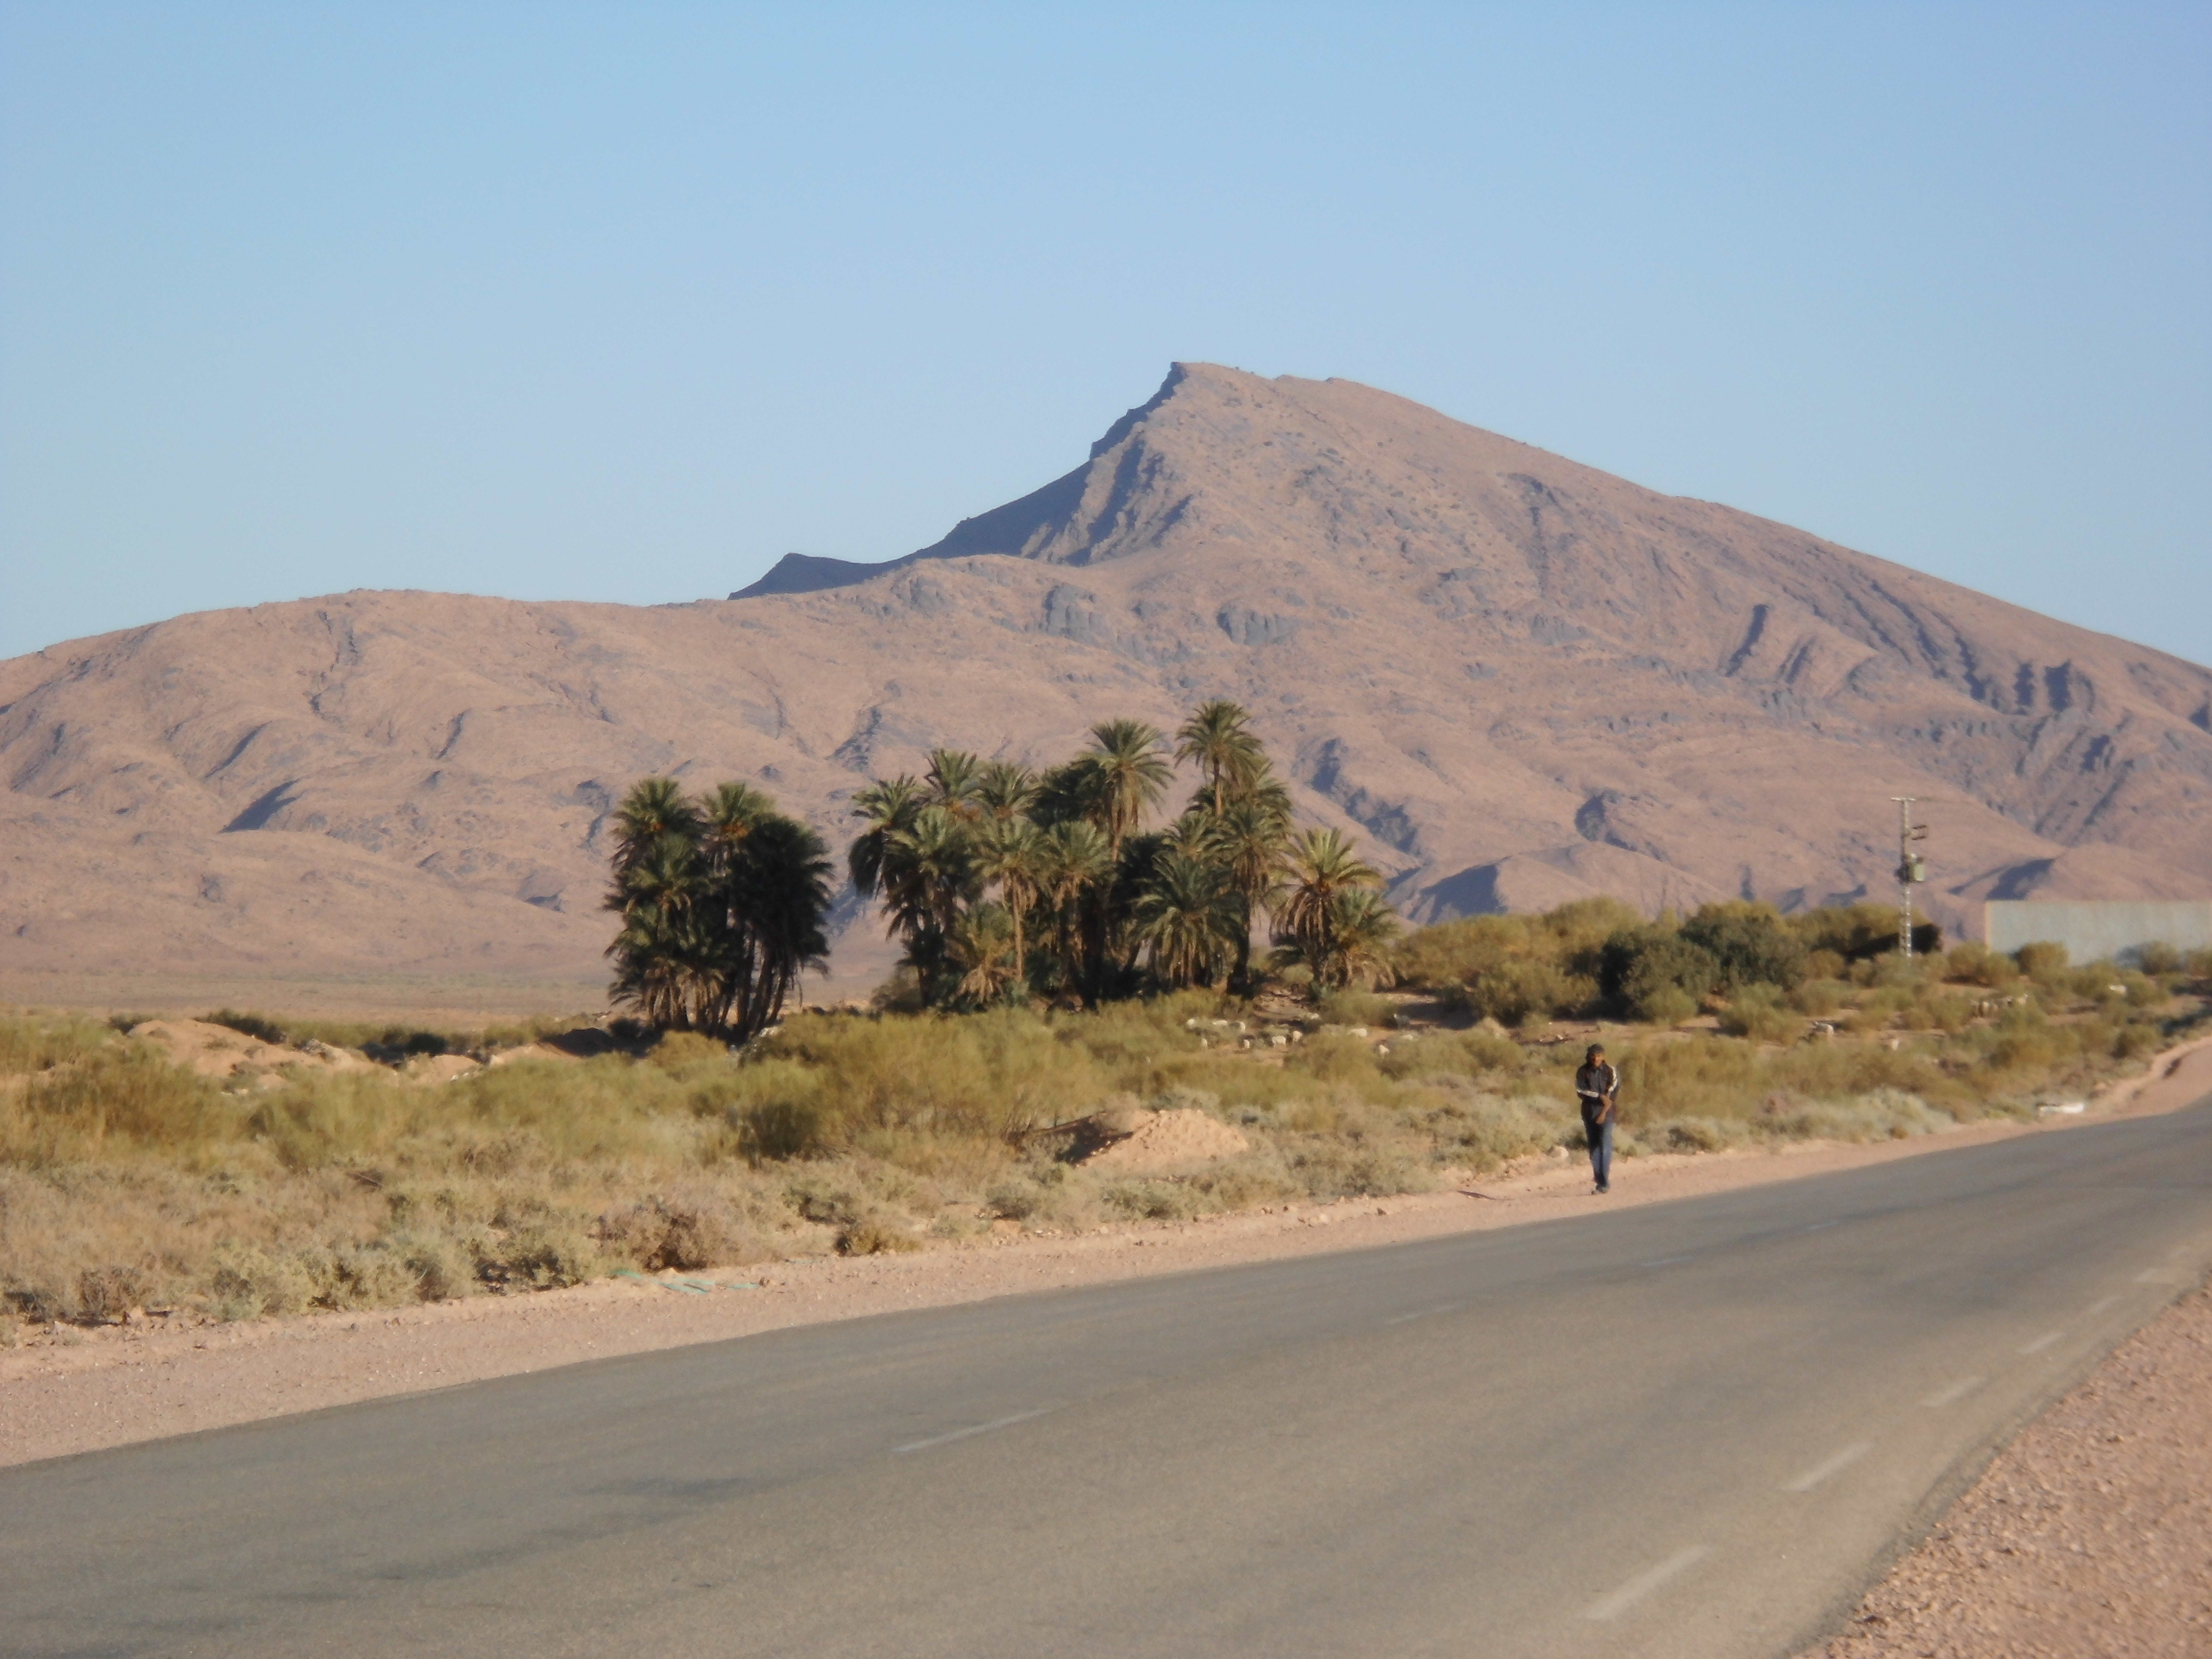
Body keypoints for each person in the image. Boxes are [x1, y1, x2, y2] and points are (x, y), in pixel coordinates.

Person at [1574, 1043, 1618, 1195]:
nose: (1596, 1058)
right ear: (1588, 1056)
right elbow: (1581, 1091)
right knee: (1593, 1149)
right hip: (1589, 1113)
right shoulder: (1582, 1072)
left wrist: (1606, 1106)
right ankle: (1599, 1179)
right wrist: (1599, 1096)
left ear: (1603, 1056)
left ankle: (1603, 1183)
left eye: (1599, 1055)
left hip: (1608, 1114)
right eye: (1593, 1055)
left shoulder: (1610, 1071)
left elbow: (1614, 1088)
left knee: (1605, 1147)